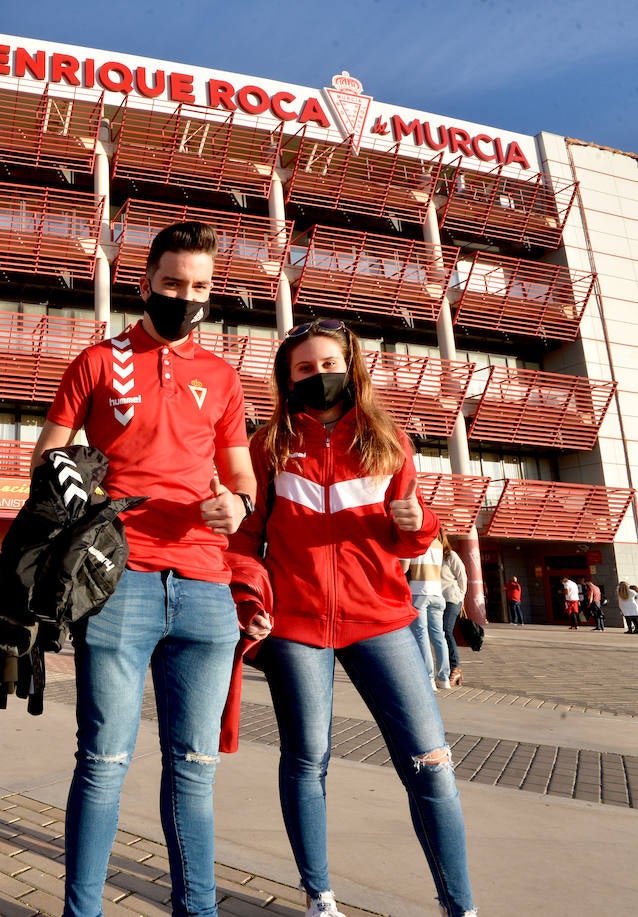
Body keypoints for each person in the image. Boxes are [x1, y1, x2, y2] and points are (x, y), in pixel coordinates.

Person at [31, 221, 266, 917]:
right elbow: (48, 455)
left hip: (205, 589)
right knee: (104, 763)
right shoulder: (98, 361)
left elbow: (243, 474)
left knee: (194, 770)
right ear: (146, 284)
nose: (185, 298)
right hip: (118, 582)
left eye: (199, 288)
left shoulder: (222, 377)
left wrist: (238, 503)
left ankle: (198, 909)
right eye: (172, 284)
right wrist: (88, 505)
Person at [229, 317, 478, 917]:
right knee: (308, 759)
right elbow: (246, 536)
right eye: (305, 369)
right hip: (297, 626)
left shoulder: (389, 443)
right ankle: (320, 898)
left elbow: (408, 540)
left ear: (352, 366)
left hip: (384, 621)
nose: (320, 376)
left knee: (431, 763)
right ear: (287, 381)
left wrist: (422, 527)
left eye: (329, 364)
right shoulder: (269, 446)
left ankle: (459, 906)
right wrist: (249, 600)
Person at [405, 537, 451, 691]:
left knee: (421, 635)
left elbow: (404, 568)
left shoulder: (414, 542)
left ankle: (428, 678)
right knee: (439, 636)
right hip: (437, 593)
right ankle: (444, 678)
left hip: (419, 592)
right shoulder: (439, 544)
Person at [440, 535, 468, 688]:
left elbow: (462, 577)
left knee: (446, 630)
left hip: (452, 598)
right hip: (438, 600)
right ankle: (447, 668)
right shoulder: (432, 555)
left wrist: (461, 597)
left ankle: (455, 667)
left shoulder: (450, 555)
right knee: (440, 633)